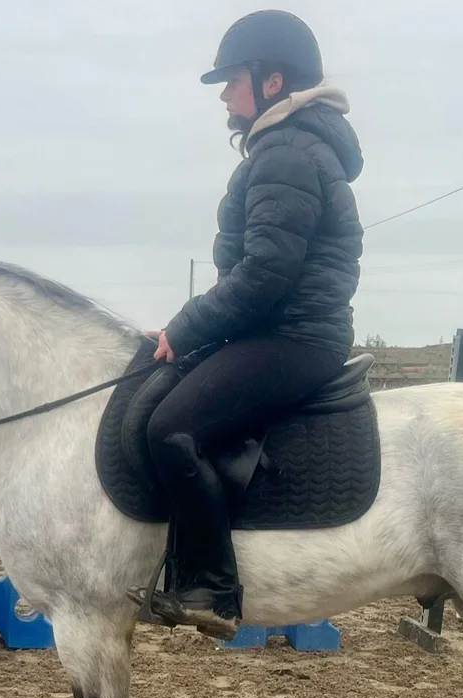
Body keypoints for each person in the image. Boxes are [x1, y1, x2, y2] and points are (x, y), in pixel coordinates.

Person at [139, 9, 365, 639]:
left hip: (293, 336)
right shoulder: (286, 146)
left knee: (171, 429)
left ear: (272, 82)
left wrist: (184, 328)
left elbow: (266, 273)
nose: (224, 95)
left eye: (232, 79)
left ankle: (212, 589)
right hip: (281, 329)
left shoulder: (287, 153)